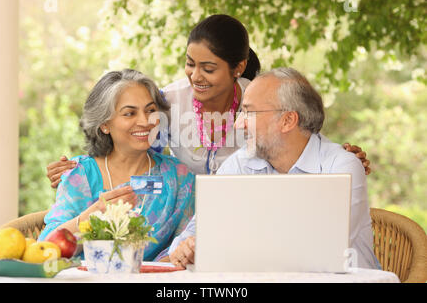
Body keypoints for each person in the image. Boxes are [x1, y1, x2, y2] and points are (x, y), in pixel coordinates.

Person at [46, 14, 371, 184]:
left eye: (209, 68)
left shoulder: (260, 97)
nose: (195, 75)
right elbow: (132, 138)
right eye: (190, 63)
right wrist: (83, 167)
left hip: (248, 210)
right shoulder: (169, 100)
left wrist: (340, 156)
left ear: (238, 68)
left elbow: (297, 134)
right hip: (184, 216)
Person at [169, 67, 380, 270]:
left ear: (288, 120)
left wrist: (231, 243)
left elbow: (317, 250)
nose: (238, 124)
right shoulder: (240, 164)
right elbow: (198, 229)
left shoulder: (341, 167)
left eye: (249, 112)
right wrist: (184, 247)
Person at [37, 69, 195, 262]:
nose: (145, 122)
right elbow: (46, 248)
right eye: (129, 113)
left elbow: (186, 246)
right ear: (104, 124)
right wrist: (92, 216)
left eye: (151, 110)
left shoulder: (178, 176)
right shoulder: (82, 175)